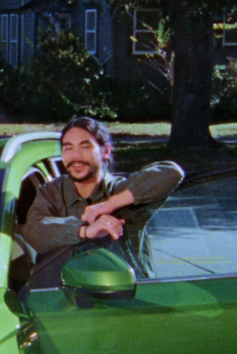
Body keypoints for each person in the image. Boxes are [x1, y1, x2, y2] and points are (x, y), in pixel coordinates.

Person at [23, 117, 184, 275]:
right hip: (64, 288)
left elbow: (172, 172)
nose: (75, 156)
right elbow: (34, 231)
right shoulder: (51, 192)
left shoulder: (120, 189)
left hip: (127, 288)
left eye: (85, 147)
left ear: (106, 152)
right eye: (68, 148)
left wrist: (110, 204)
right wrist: (84, 230)